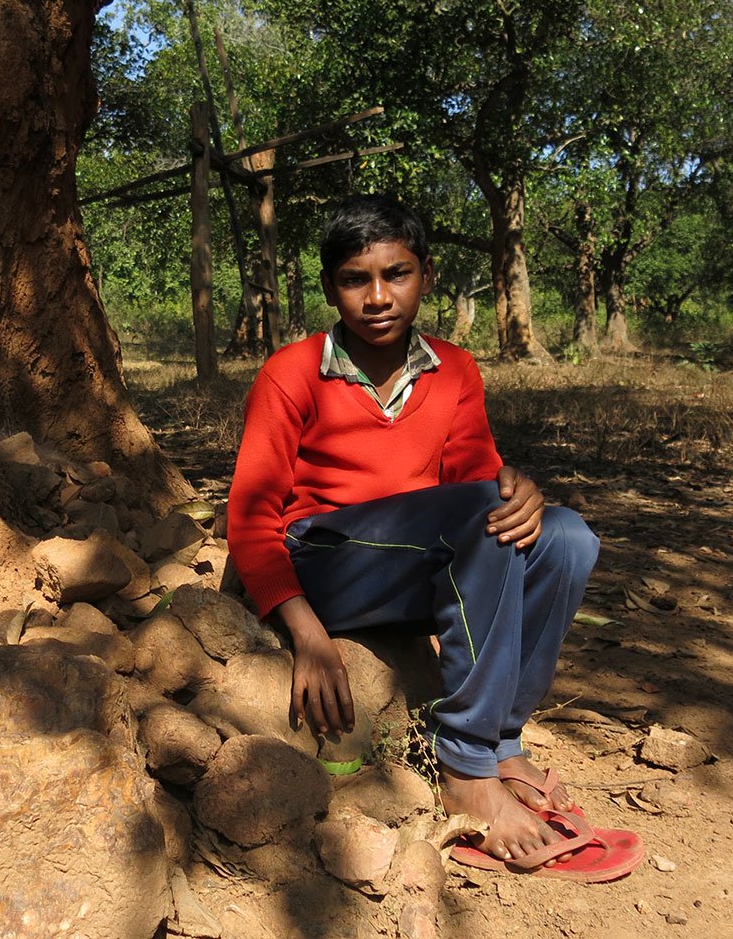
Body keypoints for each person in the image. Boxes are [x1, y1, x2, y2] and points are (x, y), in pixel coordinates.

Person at [226, 194, 612, 871]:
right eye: (355, 279)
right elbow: (251, 515)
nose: (377, 297)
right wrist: (307, 634)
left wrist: (518, 489)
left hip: (417, 555)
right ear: (329, 289)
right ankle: (466, 772)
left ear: (426, 276)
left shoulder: (454, 370)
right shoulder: (292, 373)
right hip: (325, 561)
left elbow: (478, 478)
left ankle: (501, 740)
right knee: (475, 516)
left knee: (568, 536)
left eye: (396, 274)